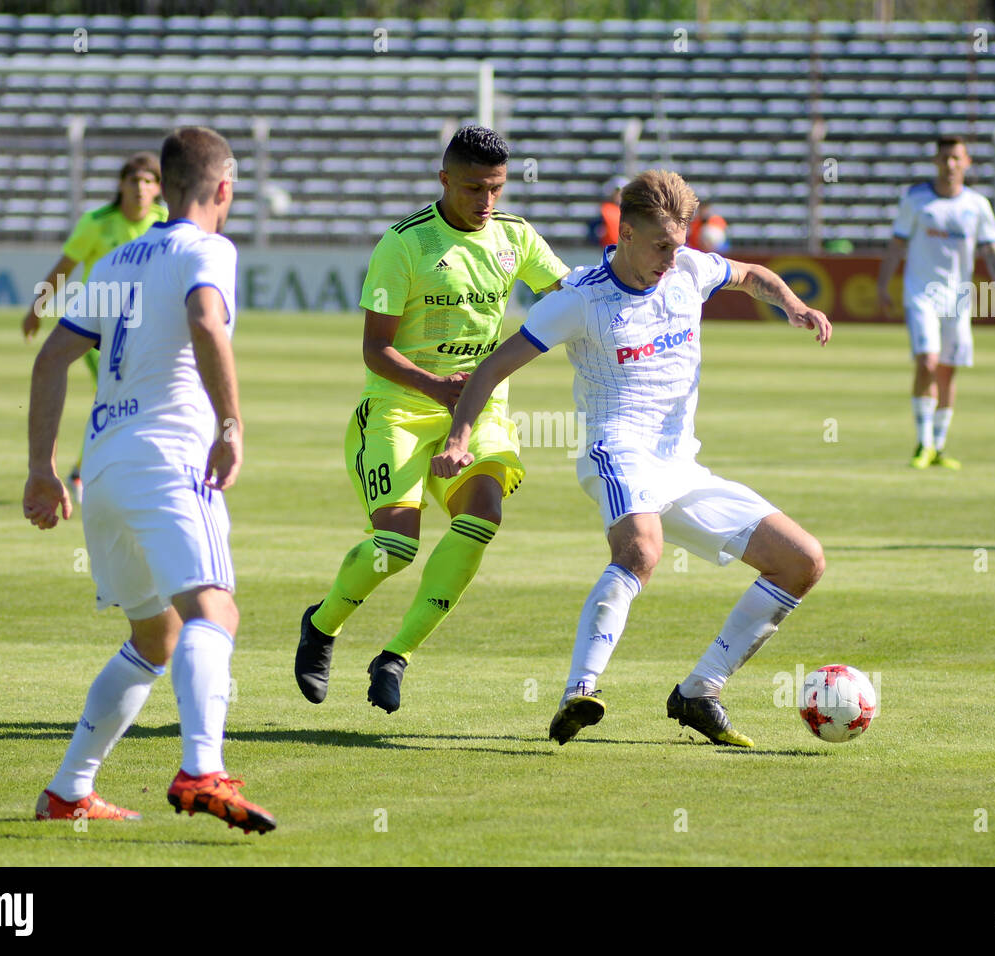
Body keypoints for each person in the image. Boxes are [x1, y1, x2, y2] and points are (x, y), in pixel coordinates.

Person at [432, 169, 831, 747]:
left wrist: (793, 304)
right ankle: (579, 691)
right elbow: (493, 366)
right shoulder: (581, 299)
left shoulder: (689, 269)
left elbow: (749, 275)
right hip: (616, 450)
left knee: (803, 561)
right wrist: (458, 439)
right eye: (661, 245)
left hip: (682, 468)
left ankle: (699, 692)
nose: (673, 257)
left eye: (680, 242)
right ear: (627, 231)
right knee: (642, 549)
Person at [23, 126, 274, 833]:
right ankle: (202, 770)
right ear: (223, 189)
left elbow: (50, 360)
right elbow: (204, 319)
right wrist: (230, 424)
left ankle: (69, 790)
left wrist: (43, 470)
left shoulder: (116, 260)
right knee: (213, 612)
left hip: (103, 469)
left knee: (156, 637)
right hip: (170, 461)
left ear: (162, 185)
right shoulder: (209, 249)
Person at [294, 126, 567, 713]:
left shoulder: (515, 237)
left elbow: (568, 295)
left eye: (496, 189)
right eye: (474, 188)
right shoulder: (404, 244)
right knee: (395, 545)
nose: (486, 202)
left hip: (481, 405)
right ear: (444, 180)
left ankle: (395, 655)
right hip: (399, 407)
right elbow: (375, 350)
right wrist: (437, 386)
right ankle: (322, 624)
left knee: (483, 515)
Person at [22, 151, 167, 502]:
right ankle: (87, 473)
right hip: (96, 330)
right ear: (121, 185)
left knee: (125, 398)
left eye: (148, 181)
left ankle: (95, 470)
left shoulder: (165, 220)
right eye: (134, 180)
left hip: (141, 330)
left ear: (158, 188)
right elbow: (64, 267)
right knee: (116, 395)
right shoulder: (97, 222)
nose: (140, 188)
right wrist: (38, 308)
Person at [878, 136, 995, 470]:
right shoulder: (917, 200)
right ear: (935, 162)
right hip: (921, 294)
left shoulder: (978, 205)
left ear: (967, 163)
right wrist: (883, 284)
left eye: (956, 158)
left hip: (959, 299)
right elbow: (897, 245)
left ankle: (938, 446)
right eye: (944, 158)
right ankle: (922, 443)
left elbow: (992, 252)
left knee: (947, 372)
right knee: (927, 362)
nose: (950, 164)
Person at [589, 176, 626, 248]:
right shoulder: (605, 210)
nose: (618, 195)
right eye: (616, 192)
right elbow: (593, 230)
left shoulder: (631, 211)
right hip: (610, 251)